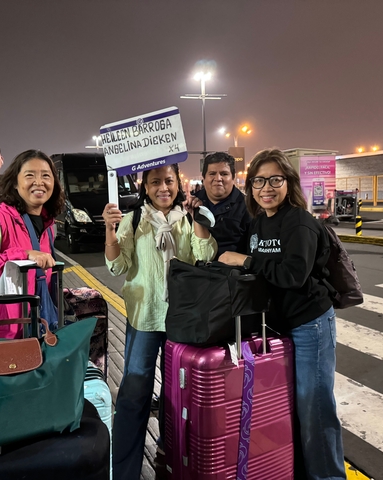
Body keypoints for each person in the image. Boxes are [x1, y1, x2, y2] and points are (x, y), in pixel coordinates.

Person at [219, 148, 346, 480]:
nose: (266, 188)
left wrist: (245, 261)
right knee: (288, 408)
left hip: (310, 325)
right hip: (276, 329)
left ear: (289, 183)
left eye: (275, 179)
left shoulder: (300, 223)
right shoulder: (259, 223)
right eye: (259, 181)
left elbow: (293, 274)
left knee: (314, 408)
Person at [102, 164, 217, 480]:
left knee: (175, 392)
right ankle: (124, 469)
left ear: (179, 183)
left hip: (181, 319)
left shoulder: (187, 218)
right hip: (144, 317)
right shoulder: (134, 220)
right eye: (155, 182)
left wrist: (200, 220)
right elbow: (116, 266)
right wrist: (111, 232)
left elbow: (203, 255)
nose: (163, 188)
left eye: (169, 181)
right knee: (134, 390)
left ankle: (169, 455)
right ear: (145, 186)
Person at [0, 149, 63, 341]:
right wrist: (23, 255)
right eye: (30, 175)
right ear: (15, 183)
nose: (39, 182)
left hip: (32, 328)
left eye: (46, 176)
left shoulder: (49, 225)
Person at [188, 151, 251, 257]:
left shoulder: (248, 207)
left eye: (224, 174)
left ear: (233, 178)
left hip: (232, 271)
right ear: (204, 178)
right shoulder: (190, 204)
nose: (218, 179)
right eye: (212, 174)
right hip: (195, 270)